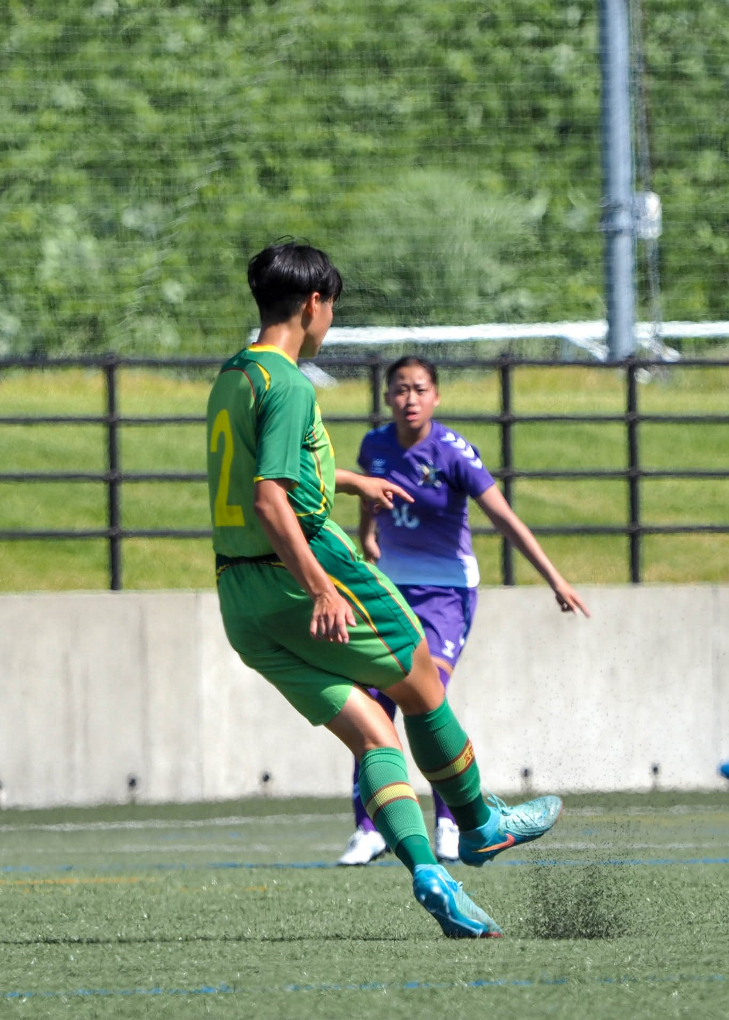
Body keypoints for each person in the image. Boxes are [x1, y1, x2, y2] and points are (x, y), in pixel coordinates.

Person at [206, 241, 563, 938]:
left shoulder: (232, 377)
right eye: (331, 306)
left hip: (239, 598)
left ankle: (431, 871)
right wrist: (320, 587)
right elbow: (271, 499)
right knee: (421, 681)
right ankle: (482, 822)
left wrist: (349, 482)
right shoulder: (289, 383)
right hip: (301, 567)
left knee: (373, 735)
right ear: (314, 304)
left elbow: (258, 477)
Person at [337, 355, 590, 867]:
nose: (410, 398)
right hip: (390, 591)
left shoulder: (453, 453)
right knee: (371, 702)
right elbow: (370, 492)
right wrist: (366, 533)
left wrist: (554, 577)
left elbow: (504, 517)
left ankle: (450, 822)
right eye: (401, 389)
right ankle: (369, 828)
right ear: (387, 397)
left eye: (420, 389)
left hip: (447, 596)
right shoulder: (375, 445)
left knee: (426, 703)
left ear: (436, 397)